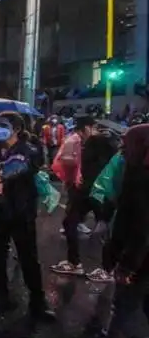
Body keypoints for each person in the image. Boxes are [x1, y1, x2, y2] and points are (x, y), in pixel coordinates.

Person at [0, 112, 54, 321]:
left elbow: (22, 166)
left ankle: (38, 301)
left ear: (17, 129)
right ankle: (0, 293)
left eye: (3, 125)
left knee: (28, 258)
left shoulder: (29, 148)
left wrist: (0, 174)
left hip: (21, 212)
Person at [100, 124, 149, 338]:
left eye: (127, 144)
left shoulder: (140, 177)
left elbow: (140, 227)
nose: (122, 149)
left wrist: (127, 264)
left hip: (139, 261)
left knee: (123, 309)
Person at [50, 117, 118, 280]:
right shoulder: (109, 141)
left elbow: (90, 166)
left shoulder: (95, 141)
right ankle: (105, 268)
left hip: (90, 189)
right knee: (101, 226)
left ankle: (87, 266)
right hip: (97, 190)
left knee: (95, 227)